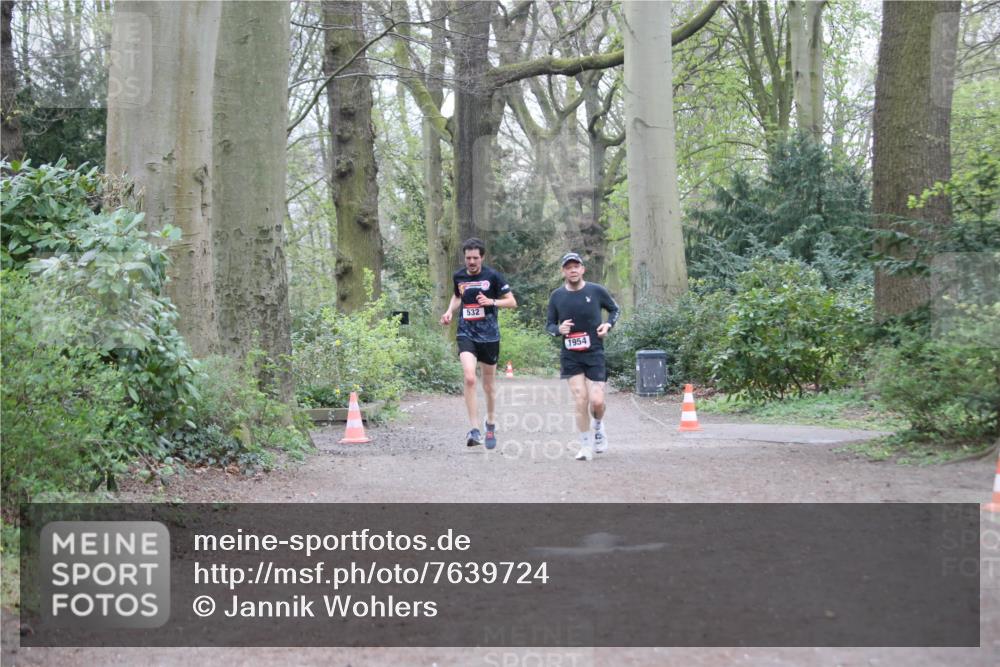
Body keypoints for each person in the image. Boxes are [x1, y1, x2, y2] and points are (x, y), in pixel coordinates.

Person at [440, 238, 517, 449]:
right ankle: (474, 429)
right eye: (468, 258)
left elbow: (512, 301)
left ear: (482, 257)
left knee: (489, 385)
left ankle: (490, 423)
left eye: (475, 258)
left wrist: (492, 302)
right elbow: (457, 297)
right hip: (467, 334)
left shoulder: (493, 276)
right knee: (470, 377)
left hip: (490, 337)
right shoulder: (459, 276)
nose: (471, 262)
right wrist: (449, 311)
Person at [545, 252, 621, 461]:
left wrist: (608, 325)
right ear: (563, 271)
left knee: (596, 401)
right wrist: (559, 329)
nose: (573, 270)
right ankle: (585, 446)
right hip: (571, 356)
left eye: (576, 266)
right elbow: (549, 325)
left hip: (595, 352)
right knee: (580, 398)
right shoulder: (557, 296)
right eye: (568, 267)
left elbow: (615, 310)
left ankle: (598, 425)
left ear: (582, 269)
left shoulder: (596, 291)